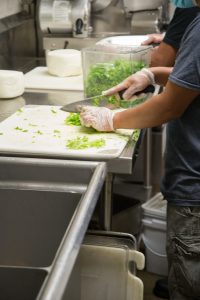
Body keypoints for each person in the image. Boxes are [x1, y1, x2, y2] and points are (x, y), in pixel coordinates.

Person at [79, 0, 200, 299]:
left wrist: (112, 119)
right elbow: (192, 78)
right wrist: (153, 75)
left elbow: (171, 105)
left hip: (194, 195)